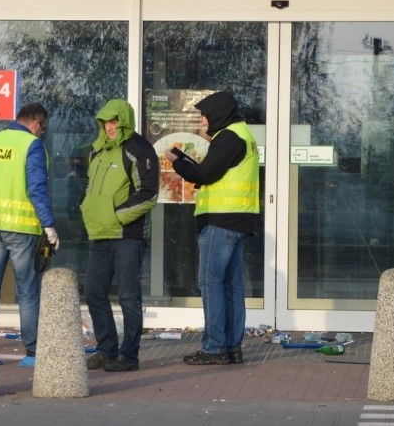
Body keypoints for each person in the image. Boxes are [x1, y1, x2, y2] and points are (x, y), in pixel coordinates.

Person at [165, 91, 260, 366]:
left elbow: (205, 174)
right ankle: (232, 347)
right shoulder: (241, 136)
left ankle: (214, 347)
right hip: (237, 219)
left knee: (210, 283)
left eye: (205, 115)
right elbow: (216, 172)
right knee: (230, 285)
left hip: (221, 222)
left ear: (219, 113)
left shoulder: (230, 138)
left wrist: (177, 161)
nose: (203, 120)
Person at [0, 102, 60, 368]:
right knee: (27, 292)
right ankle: (32, 352)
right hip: (20, 228)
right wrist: (49, 225)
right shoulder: (30, 146)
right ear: (35, 122)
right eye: (42, 128)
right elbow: (36, 188)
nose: (41, 133)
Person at [80, 98, 159, 372]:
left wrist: (115, 215)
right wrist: (89, 211)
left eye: (114, 121)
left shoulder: (140, 149)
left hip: (127, 236)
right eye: (105, 122)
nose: (109, 127)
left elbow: (149, 194)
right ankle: (106, 350)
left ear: (123, 121)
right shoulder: (97, 151)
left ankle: (129, 356)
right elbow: (90, 188)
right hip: (100, 235)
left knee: (128, 296)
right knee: (93, 292)